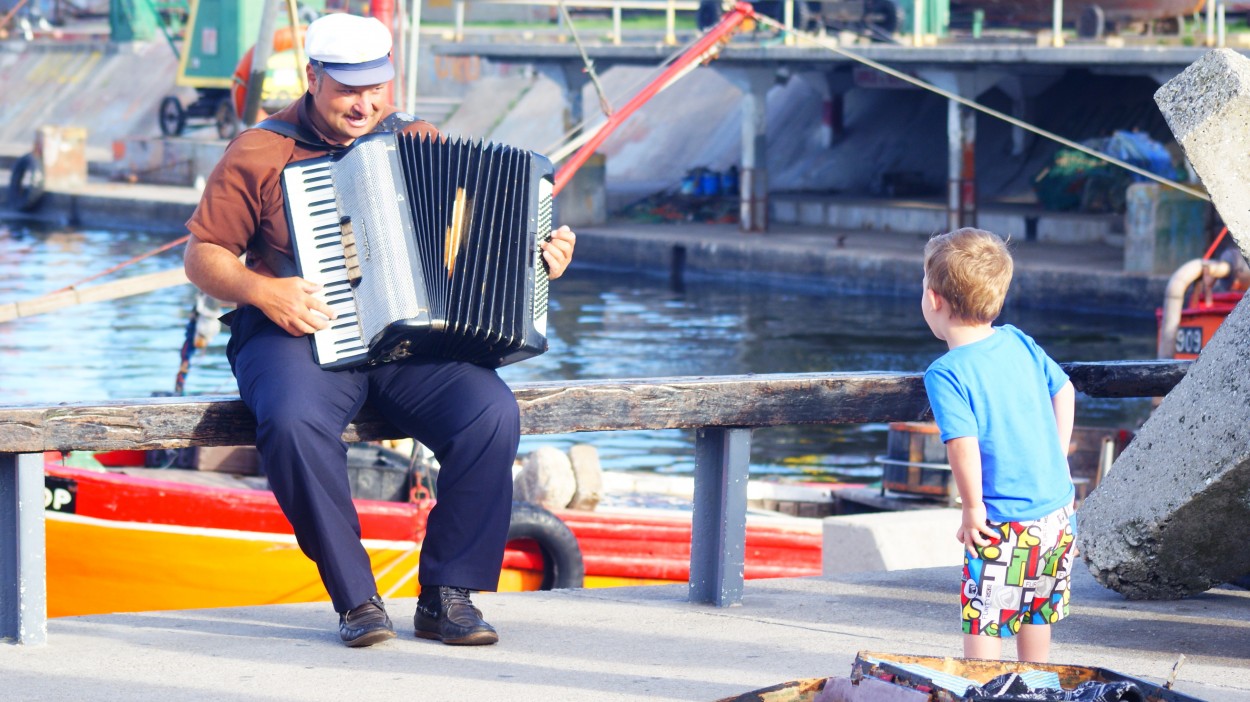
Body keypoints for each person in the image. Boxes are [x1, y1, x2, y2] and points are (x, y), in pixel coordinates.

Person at [183, 12, 577, 648]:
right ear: (313, 79)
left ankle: (447, 596)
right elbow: (203, 254)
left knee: (491, 413)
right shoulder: (258, 150)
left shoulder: (419, 139)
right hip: (294, 333)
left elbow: (467, 245)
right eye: (347, 88)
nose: (365, 103)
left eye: (375, 87)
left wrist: (540, 254)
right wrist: (263, 290)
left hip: (405, 343)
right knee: (290, 423)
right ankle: (356, 600)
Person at [919, 227, 1076, 664]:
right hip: (1057, 513)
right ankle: (1036, 685)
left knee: (987, 616)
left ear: (934, 300)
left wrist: (972, 509)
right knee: (1036, 612)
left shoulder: (946, 373)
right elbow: (1064, 391)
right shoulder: (1018, 340)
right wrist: (1057, 458)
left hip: (1003, 522)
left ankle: (985, 687)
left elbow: (962, 445)